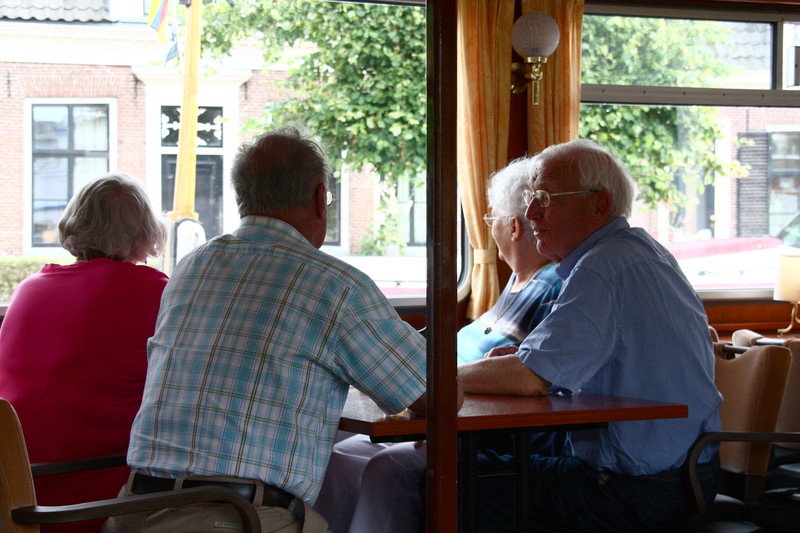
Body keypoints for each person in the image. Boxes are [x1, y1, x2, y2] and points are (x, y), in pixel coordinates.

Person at [103, 126, 459, 533]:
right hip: (239, 519)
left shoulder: (191, 268)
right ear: (319, 198)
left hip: (134, 511)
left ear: (242, 198)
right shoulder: (337, 286)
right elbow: (440, 395)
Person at [458, 139, 723, 532]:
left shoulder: (602, 267)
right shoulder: (639, 252)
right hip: (689, 476)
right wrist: (524, 359)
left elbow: (529, 379)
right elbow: (557, 364)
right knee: (475, 451)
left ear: (599, 205)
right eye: (531, 198)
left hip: (638, 490)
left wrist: (432, 381)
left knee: (447, 483)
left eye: (545, 198)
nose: (530, 213)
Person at [314, 157, 563, 533]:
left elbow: (529, 378)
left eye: (491, 219)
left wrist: (433, 384)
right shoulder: (515, 284)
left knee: (385, 467)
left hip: (469, 430)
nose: (490, 229)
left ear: (512, 227)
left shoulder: (550, 286)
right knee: (341, 456)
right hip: (436, 412)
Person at [0, 173, 168, 533]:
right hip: (101, 501)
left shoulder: (29, 290)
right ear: (145, 232)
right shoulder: (155, 292)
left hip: (17, 495)